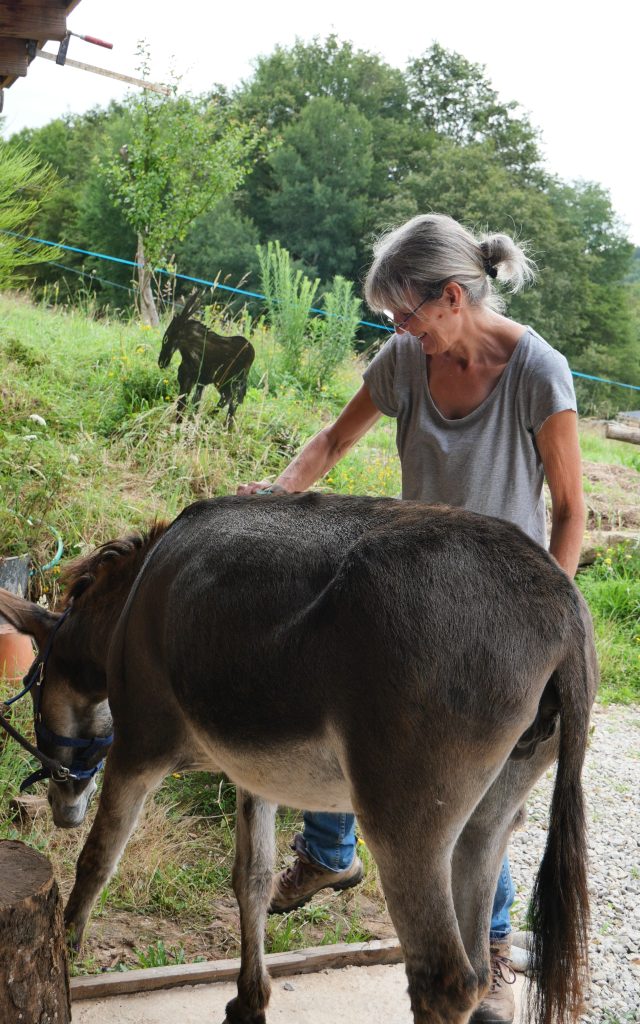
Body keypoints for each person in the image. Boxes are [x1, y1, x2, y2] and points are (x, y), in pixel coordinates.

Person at [237, 213, 585, 1024]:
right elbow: (330, 442)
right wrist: (271, 499)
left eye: (406, 315)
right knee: (335, 702)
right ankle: (329, 853)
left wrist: (545, 629)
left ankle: (487, 946)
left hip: (500, 613)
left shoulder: (538, 371)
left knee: (472, 803)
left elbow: (569, 511)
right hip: (409, 598)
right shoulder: (405, 361)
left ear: (454, 296)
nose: (396, 331)